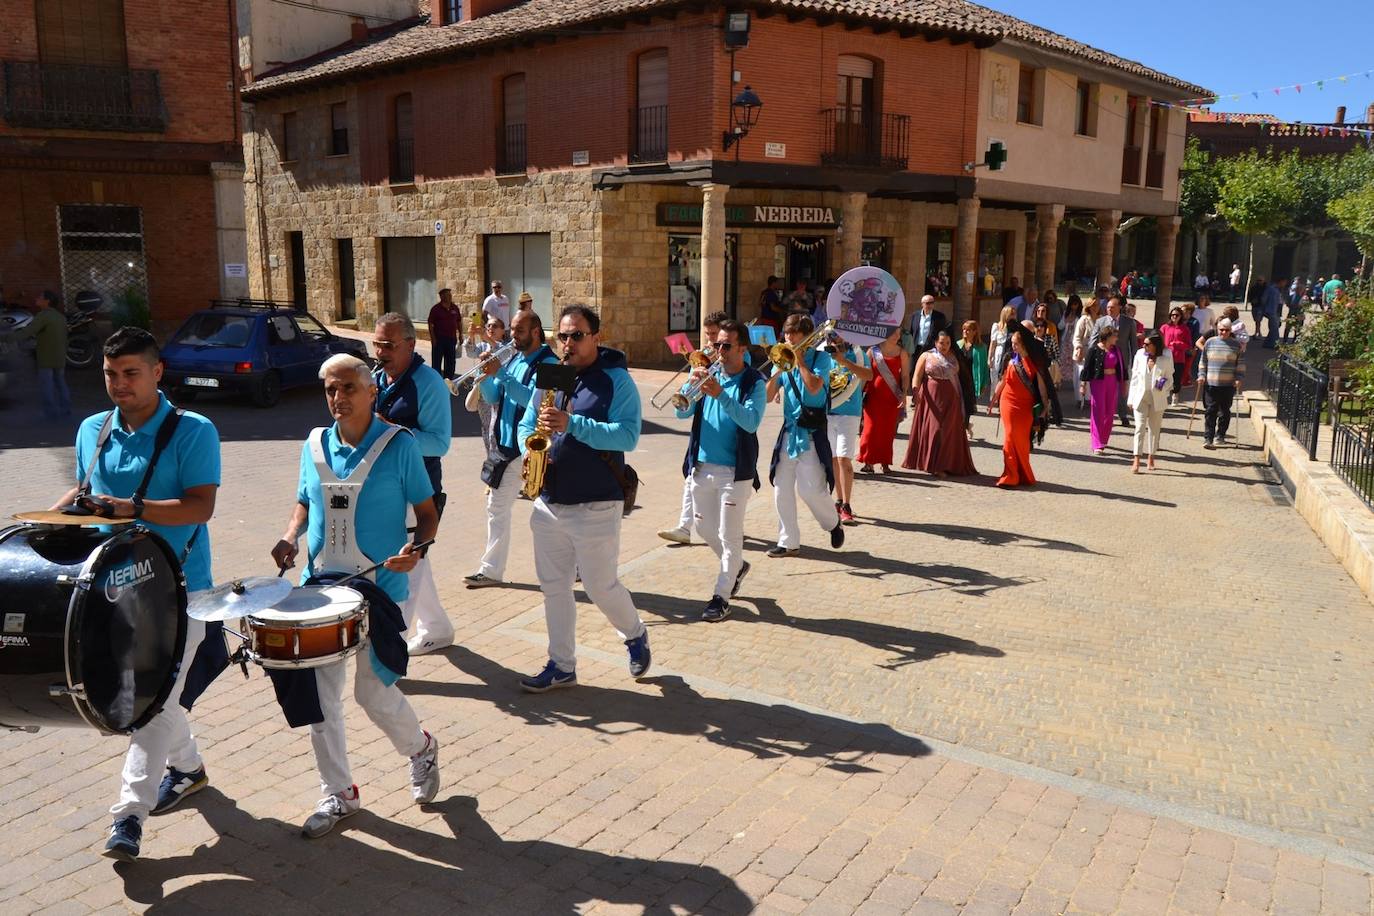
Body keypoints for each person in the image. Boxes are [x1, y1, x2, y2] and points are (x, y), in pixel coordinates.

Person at [49, 327, 224, 862]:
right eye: (109, 374)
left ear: (156, 373)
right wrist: (45, 520)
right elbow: (83, 495)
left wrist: (134, 508)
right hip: (111, 588)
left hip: (180, 590)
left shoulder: (193, 430)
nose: (119, 384)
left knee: (146, 703)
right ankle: (189, 769)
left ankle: (129, 815)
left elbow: (200, 507)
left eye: (130, 373)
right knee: (161, 696)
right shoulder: (92, 429)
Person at [270, 354, 440, 838]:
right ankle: (339, 794)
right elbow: (305, 501)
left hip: (382, 587)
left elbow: (427, 513)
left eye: (347, 388)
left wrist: (418, 548)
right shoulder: (314, 445)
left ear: (371, 392)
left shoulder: (398, 446)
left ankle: (421, 749)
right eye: (329, 390)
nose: (338, 398)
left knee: (373, 692)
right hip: (322, 587)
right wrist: (290, 536)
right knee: (321, 696)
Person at [517, 304, 651, 691]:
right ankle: (562, 665)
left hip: (596, 501)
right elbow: (528, 420)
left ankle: (635, 633)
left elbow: (627, 436)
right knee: (554, 586)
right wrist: (529, 444)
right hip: (549, 499)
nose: (569, 342)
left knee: (600, 586)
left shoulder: (616, 380)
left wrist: (573, 425)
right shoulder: (554, 373)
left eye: (577, 335)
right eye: (563, 335)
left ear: (596, 336)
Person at [371, 313, 454, 656]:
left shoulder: (429, 382)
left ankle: (392, 654)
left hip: (416, 492)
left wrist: (392, 430)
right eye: (376, 344)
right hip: (386, 490)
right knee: (415, 561)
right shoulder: (378, 378)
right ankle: (437, 629)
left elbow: (440, 443)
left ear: (410, 344)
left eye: (388, 345)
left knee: (405, 567)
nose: (380, 352)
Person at [674, 319, 766, 621]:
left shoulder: (753, 382)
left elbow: (751, 423)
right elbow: (680, 411)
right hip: (702, 465)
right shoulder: (708, 374)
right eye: (716, 344)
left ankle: (721, 596)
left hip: (734, 472)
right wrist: (691, 384)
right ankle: (737, 567)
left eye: (726, 345)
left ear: (742, 348)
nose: (719, 350)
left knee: (730, 536)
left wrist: (722, 396)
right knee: (702, 528)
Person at [463, 309, 558, 589]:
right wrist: (487, 376)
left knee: (532, 509)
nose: (512, 335)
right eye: (512, 330)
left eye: (518, 331)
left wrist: (502, 374)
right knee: (500, 507)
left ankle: (492, 570)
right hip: (504, 446)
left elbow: (536, 402)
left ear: (536, 332)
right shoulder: (515, 357)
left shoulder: (550, 363)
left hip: (528, 448)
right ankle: (492, 570)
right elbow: (496, 398)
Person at [765, 313, 845, 558]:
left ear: (807, 337)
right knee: (781, 487)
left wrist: (799, 360)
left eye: (793, 334)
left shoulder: (822, 359)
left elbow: (813, 387)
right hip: (790, 432)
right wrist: (778, 370)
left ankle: (832, 522)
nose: (788, 338)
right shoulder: (781, 359)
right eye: (786, 333)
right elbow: (768, 397)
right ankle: (788, 541)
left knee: (811, 491)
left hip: (812, 433)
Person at [658, 311, 726, 545]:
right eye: (707, 336)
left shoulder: (735, 362)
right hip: (703, 428)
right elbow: (682, 410)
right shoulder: (701, 359)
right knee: (692, 476)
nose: (709, 342)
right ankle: (684, 527)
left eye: (714, 335)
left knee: (719, 485)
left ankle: (715, 525)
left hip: (725, 430)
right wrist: (690, 382)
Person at [904, 328, 976, 476]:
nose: (945, 346)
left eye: (948, 343)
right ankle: (933, 464)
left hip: (951, 398)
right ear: (936, 342)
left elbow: (963, 377)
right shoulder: (927, 355)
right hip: (932, 396)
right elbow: (917, 375)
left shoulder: (955, 356)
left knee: (949, 431)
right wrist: (915, 391)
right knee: (935, 429)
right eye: (942, 343)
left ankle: (947, 464)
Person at [988, 325, 1050, 488]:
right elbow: (1003, 380)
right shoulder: (1010, 358)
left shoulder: (1035, 361)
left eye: (1016, 344)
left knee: (1021, 441)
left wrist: (1045, 405)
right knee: (1009, 437)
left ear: (1024, 345)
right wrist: (994, 399)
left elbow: (1042, 385)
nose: (1013, 346)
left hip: (1025, 406)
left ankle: (1023, 474)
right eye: (1012, 343)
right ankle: (1010, 475)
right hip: (1008, 402)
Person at [9, 290, 70, 420]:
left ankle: (50, 413)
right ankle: (66, 410)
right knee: (60, 383)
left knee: (46, 385)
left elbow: (27, 332)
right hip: (59, 356)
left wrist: (6, 337)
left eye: (40, 297)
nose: (37, 299)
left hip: (46, 357)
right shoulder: (60, 317)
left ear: (47, 301)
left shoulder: (43, 316)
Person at [857, 324, 908, 474]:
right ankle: (868, 461)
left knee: (887, 430)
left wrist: (904, 393)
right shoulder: (873, 351)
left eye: (899, 334)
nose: (897, 336)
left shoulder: (902, 353)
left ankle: (885, 462)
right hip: (873, 396)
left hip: (892, 397)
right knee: (870, 429)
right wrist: (858, 394)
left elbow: (905, 375)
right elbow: (863, 374)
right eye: (894, 334)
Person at [463, 315, 509, 454]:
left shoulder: (507, 347)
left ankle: (498, 456)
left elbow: (504, 355)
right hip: (483, 393)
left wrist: (485, 337)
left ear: (503, 331)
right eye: (488, 325)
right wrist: (471, 335)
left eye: (495, 326)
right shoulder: (483, 345)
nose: (490, 328)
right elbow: (471, 353)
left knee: (495, 426)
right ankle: (490, 456)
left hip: (498, 393)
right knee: (486, 426)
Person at [1128, 332, 1173, 473]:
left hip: (1157, 398)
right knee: (1139, 427)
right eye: (1144, 343)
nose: (1144, 346)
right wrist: (1131, 398)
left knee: (1154, 429)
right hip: (1141, 397)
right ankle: (1136, 459)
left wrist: (1162, 385)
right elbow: (1134, 377)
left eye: (1147, 344)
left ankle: (1151, 457)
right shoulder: (1140, 355)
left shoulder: (1165, 359)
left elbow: (1170, 379)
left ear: (1155, 345)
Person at [1091, 295, 1138, 426]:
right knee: (1106, 386)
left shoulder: (1129, 322)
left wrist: (1136, 362)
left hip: (1122, 359)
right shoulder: (1100, 322)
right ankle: (1106, 414)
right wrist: (1091, 357)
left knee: (1122, 385)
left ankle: (1123, 415)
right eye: (1107, 307)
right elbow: (1093, 341)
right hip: (1105, 359)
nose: (1109, 310)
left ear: (1119, 307)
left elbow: (1133, 344)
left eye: (1112, 307)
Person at [1198, 318, 1244, 449]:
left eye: (1226, 330)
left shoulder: (1236, 345)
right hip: (1211, 383)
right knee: (1210, 410)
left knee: (1224, 411)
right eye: (1221, 330)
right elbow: (1203, 361)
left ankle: (1221, 435)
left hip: (1228, 384)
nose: (1223, 332)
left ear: (1230, 331)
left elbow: (1240, 364)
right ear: (1217, 329)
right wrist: (1201, 375)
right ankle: (1208, 438)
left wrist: (1239, 377)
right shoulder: (1210, 342)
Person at [1081, 325, 1124, 455]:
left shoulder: (1116, 349)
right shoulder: (1094, 349)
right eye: (1114, 336)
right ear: (1107, 336)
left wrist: (1124, 383)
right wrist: (1083, 385)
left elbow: (1122, 368)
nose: (1116, 338)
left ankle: (1104, 439)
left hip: (1112, 382)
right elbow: (1087, 368)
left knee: (1110, 411)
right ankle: (1096, 443)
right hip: (1098, 382)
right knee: (1098, 411)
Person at [1160, 306, 1193, 405]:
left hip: (1178, 358)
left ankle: (1175, 394)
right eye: (1173, 315)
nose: (1174, 317)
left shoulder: (1185, 329)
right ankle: (1162, 395)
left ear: (1180, 317)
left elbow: (1188, 344)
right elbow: (1159, 340)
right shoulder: (1164, 327)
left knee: (1176, 378)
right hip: (1165, 356)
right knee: (1162, 377)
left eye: (1177, 315)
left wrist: (1177, 344)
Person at [1071, 298, 1099, 409]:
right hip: (1083, 352)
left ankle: (1090, 399)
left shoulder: (1101, 319)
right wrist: (1078, 347)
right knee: (1081, 375)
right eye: (1093, 305)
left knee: (1093, 377)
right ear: (1088, 307)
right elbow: (1077, 337)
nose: (1095, 307)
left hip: (1096, 352)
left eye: (1097, 305)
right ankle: (1080, 399)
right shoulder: (1083, 320)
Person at [427, 288, 461, 380]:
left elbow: (459, 321)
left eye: (450, 295)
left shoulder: (455, 308)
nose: (449, 297)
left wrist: (460, 335)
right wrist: (433, 339)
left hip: (451, 339)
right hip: (439, 339)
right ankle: (436, 380)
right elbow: (430, 324)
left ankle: (448, 379)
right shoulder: (435, 309)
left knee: (450, 361)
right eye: (447, 295)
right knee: (437, 361)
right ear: (441, 296)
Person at [957, 319, 989, 406]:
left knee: (969, 405)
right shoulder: (958, 344)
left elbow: (984, 367)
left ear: (974, 332)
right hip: (960, 378)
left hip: (972, 379)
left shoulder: (981, 347)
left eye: (968, 330)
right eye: (964, 329)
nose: (965, 331)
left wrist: (984, 384)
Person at [988, 305, 1017, 386]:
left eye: (1014, 314)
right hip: (999, 354)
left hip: (1010, 354)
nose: (1013, 316)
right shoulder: (997, 327)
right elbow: (993, 343)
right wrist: (990, 358)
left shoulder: (1015, 328)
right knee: (996, 381)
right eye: (1011, 314)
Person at [1258, 277, 1284, 349]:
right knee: (1274, 328)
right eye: (1284, 282)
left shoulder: (1278, 290)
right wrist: (1263, 309)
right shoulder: (1271, 289)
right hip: (1271, 311)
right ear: (1281, 281)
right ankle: (1276, 344)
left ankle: (1267, 343)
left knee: (1274, 327)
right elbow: (1264, 299)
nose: (1284, 284)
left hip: (1276, 311)